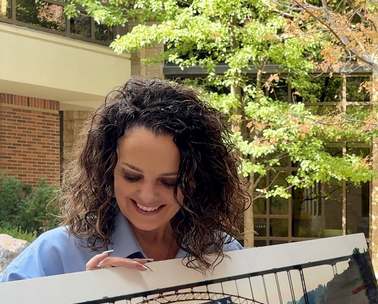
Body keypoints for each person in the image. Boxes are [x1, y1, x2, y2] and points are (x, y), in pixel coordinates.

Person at [1, 77, 249, 282]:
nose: (147, 195)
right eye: (132, 176)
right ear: (107, 171)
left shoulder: (223, 252)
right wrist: (81, 302)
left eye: (169, 182)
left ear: (197, 181)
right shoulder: (54, 257)